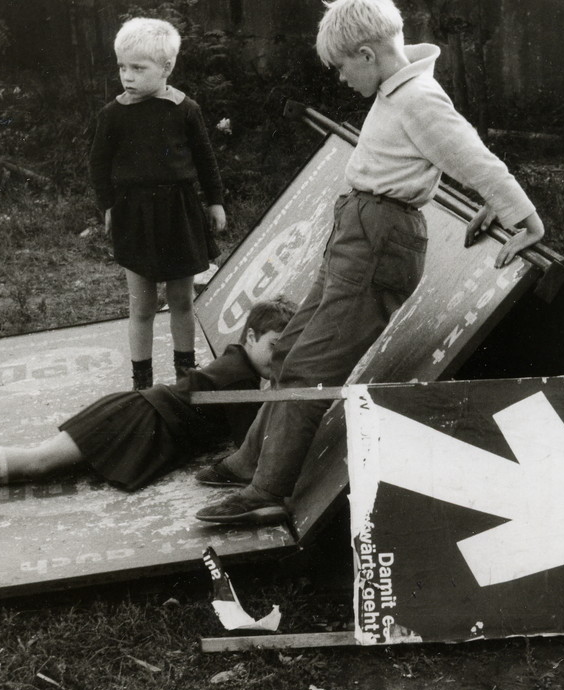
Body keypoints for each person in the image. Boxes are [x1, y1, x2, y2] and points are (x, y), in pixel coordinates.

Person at [194, 0, 545, 525]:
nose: (339, 78)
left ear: (366, 53)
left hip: (381, 239)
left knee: (312, 368)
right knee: (290, 349)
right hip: (359, 232)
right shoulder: (397, 89)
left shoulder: (419, 99)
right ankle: (251, 460)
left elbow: (474, 158)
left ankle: (269, 491)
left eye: (341, 66)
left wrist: (524, 217)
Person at [0, 298, 296, 538]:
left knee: (44, 465)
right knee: (40, 461)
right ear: (249, 337)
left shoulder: (237, 367)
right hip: (134, 420)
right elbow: (251, 451)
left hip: (138, 419)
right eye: (275, 347)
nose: (279, 359)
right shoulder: (239, 376)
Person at [90, 17, 227, 389]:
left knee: (182, 299)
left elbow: (205, 159)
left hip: (179, 213)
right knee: (142, 305)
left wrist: (215, 202)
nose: (127, 76)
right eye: (122, 67)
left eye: (138, 67)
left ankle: (186, 376)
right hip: (134, 215)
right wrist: (108, 205)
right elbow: (98, 164)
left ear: (166, 67)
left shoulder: (185, 109)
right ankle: (142, 383)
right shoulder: (113, 114)